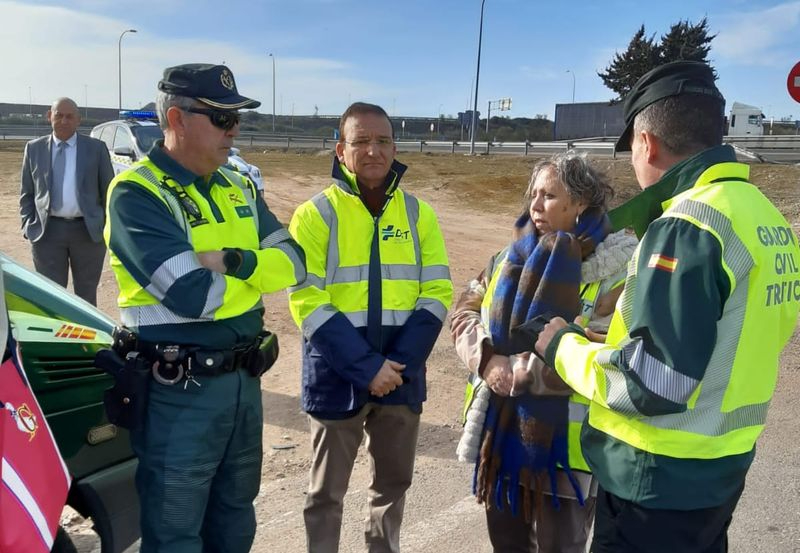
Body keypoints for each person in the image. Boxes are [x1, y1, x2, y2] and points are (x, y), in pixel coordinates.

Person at [534, 61, 800, 553]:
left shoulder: (688, 225)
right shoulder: (764, 217)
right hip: (720, 467)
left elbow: (654, 383)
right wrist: (617, 340)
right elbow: (730, 333)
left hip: (654, 478)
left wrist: (562, 347)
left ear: (647, 143)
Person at [104, 63, 307, 553]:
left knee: (235, 521)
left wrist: (233, 260)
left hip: (243, 385)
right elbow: (192, 295)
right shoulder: (136, 193)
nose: (234, 130)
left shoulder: (239, 186)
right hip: (179, 396)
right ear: (176, 119)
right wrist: (256, 278)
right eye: (221, 118)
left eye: (236, 119)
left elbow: (297, 264)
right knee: (175, 534)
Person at [287, 102, 453, 553]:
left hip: (400, 375)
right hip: (336, 375)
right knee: (325, 494)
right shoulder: (314, 215)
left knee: (392, 486)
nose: (373, 150)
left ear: (395, 148)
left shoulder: (419, 214)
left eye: (382, 141)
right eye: (361, 141)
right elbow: (306, 299)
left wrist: (395, 365)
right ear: (341, 150)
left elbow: (437, 292)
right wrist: (366, 367)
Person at [451, 152, 637, 553]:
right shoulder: (509, 257)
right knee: (507, 544)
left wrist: (514, 373)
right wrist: (487, 360)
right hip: (503, 437)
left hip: (567, 449)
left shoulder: (619, 272)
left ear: (581, 202)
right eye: (533, 194)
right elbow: (465, 310)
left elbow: (604, 348)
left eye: (549, 196)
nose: (535, 205)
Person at [19, 97, 114, 306]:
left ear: (78, 120)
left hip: (88, 233)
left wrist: (105, 226)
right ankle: (57, 330)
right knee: (52, 297)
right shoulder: (34, 149)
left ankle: (85, 329)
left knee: (86, 297)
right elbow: (27, 192)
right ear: (49, 116)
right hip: (47, 233)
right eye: (59, 115)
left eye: (70, 116)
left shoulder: (96, 149)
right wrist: (27, 225)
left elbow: (109, 191)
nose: (64, 121)